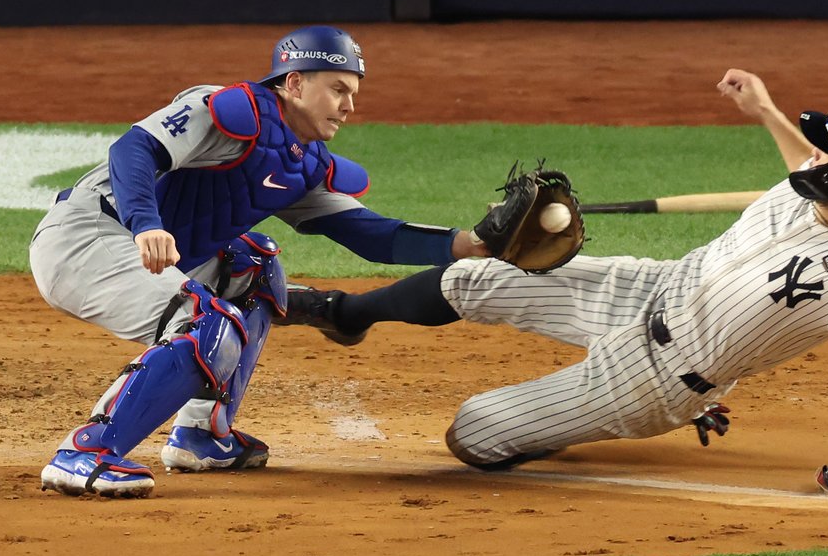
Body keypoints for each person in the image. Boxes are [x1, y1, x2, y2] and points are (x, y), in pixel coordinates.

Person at [284, 69, 828, 495]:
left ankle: (582, 423)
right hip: (650, 287)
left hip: (658, 378)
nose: (812, 155)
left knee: (473, 433)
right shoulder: (812, 188)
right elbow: (800, 159)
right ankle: (346, 314)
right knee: (476, 274)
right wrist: (764, 109)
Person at [29, 25, 487, 498]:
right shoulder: (224, 109)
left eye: (353, 93)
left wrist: (471, 243)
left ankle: (203, 435)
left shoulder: (302, 163)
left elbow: (369, 233)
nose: (349, 106)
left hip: (145, 250)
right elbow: (134, 148)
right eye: (337, 89)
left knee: (255, 269)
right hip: (87, 237)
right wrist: (146, 223)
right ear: (294, 83)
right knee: (208, 322)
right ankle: (86, 453)